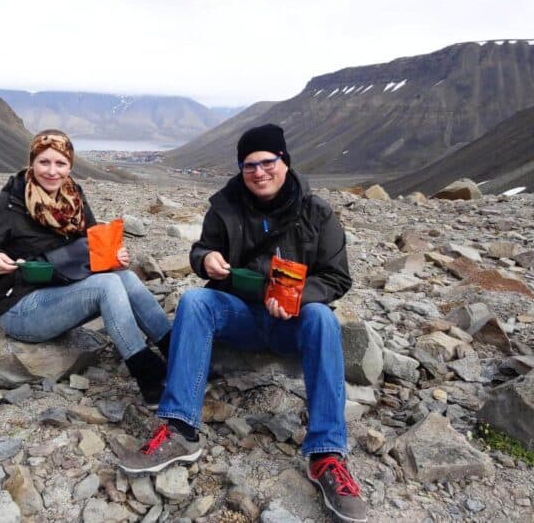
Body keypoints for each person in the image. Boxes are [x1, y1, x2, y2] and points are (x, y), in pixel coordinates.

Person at [118, 124, 367, 522]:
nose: (259, 172)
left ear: (284, 161)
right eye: (249, 165)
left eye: (268, 162)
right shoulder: (225, 205)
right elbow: (202, 248)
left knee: (322, 318)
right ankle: (181, 429)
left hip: (293, 320)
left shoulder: (317, 212)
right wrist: (205, 260)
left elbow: (337, 279)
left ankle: (326, 454)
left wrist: (297, 297)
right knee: (196, 300)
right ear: (241, 168)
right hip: (241, 315)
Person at [0, 129, 170, 408]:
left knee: (126, 277)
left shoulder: (74, 197)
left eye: (61, 163)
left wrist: (115, 256)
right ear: (32, 163)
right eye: (44, 162)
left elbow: (92, 244)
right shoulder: (6, 205)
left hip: (63, 288)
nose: (52, 171)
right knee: (107, 286)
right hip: (21, 307)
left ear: (70, 165)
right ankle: (148, 376)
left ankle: (179, 353)